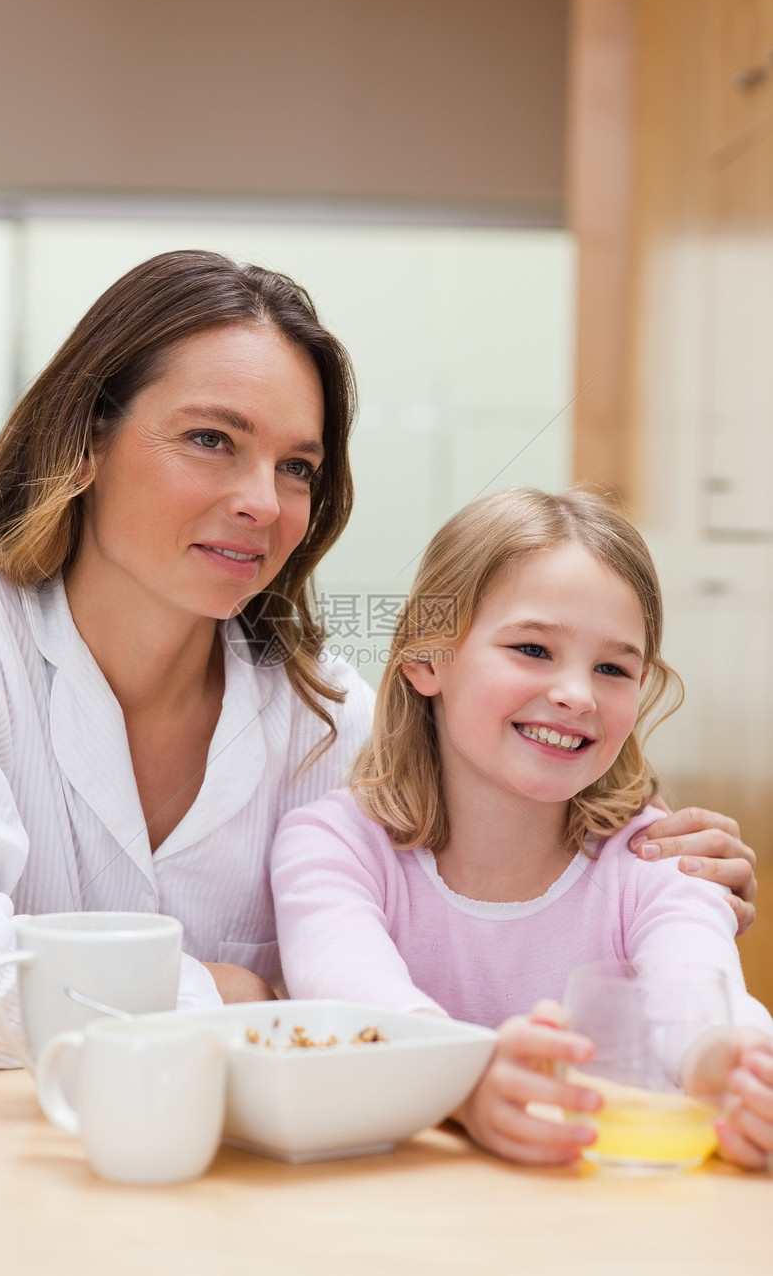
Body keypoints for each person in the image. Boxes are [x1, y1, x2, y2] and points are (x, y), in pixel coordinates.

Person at [0, 252, 757, 1071]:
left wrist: (675, 886)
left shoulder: (328, 724)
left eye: (296, 468)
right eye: (211, 439)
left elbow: (481, 886)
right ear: (84, 442)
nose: (260, 502)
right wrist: (226, 992)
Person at [271, 488, 773, 1170]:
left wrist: (729, 1068)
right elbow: (353, 994)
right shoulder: (333, 848)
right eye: (533, 648)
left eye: (613, 668)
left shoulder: (656, 858)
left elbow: (696, 985)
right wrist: (466, 1079)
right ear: (426, 658)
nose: (577, 694)